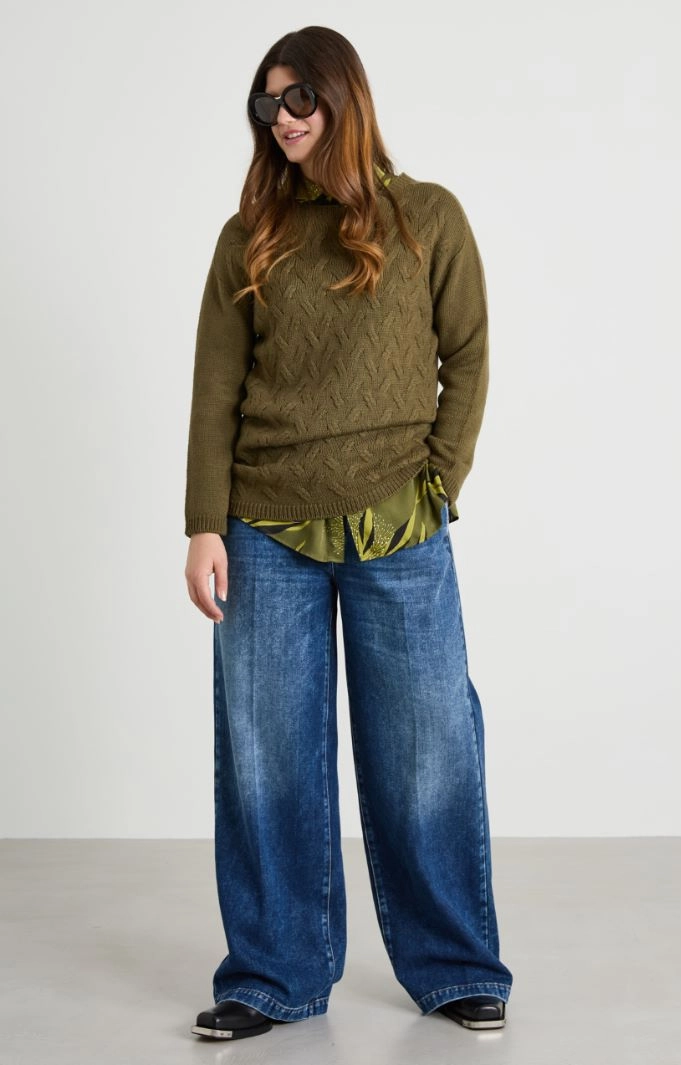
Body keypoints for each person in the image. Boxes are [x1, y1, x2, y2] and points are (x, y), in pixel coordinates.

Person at [184, 24, 514, 1042]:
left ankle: (455, 967)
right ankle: (272, 975)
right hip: (264, 527)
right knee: (266, 761)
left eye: (299, 99)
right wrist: (203, 525)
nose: (281, 119)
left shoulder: (428, 217)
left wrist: (438, 483)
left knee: (426, 754)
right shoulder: (250, 235)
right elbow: (215, 388)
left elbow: (467, 354)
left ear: (344, 99)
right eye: (266, 104)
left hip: (399, 525)